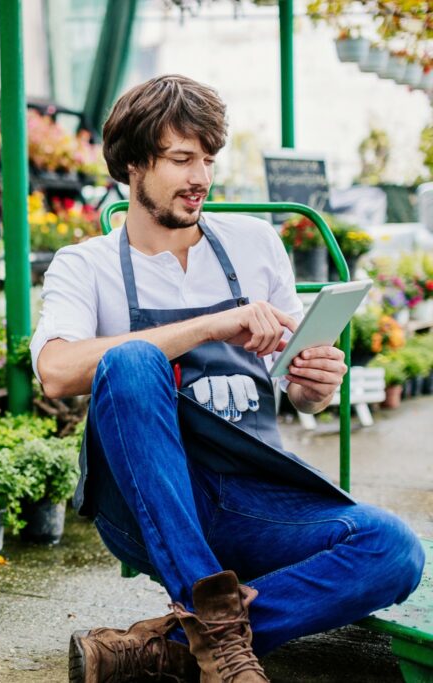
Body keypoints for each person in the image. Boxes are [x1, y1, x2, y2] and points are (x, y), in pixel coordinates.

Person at [30, 75, 425, 683]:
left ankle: (178, 646)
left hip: (252, 496)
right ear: (133, 165)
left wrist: (312, 386)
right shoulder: (88, 265)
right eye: (181, 159)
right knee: (131, 362)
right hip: (151, 501)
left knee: (393, 549)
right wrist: (211, 325)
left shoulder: (255, 244)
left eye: (208, 160)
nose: (201, 179)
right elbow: (55, 371)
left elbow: (294, 387)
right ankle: (211, 627)